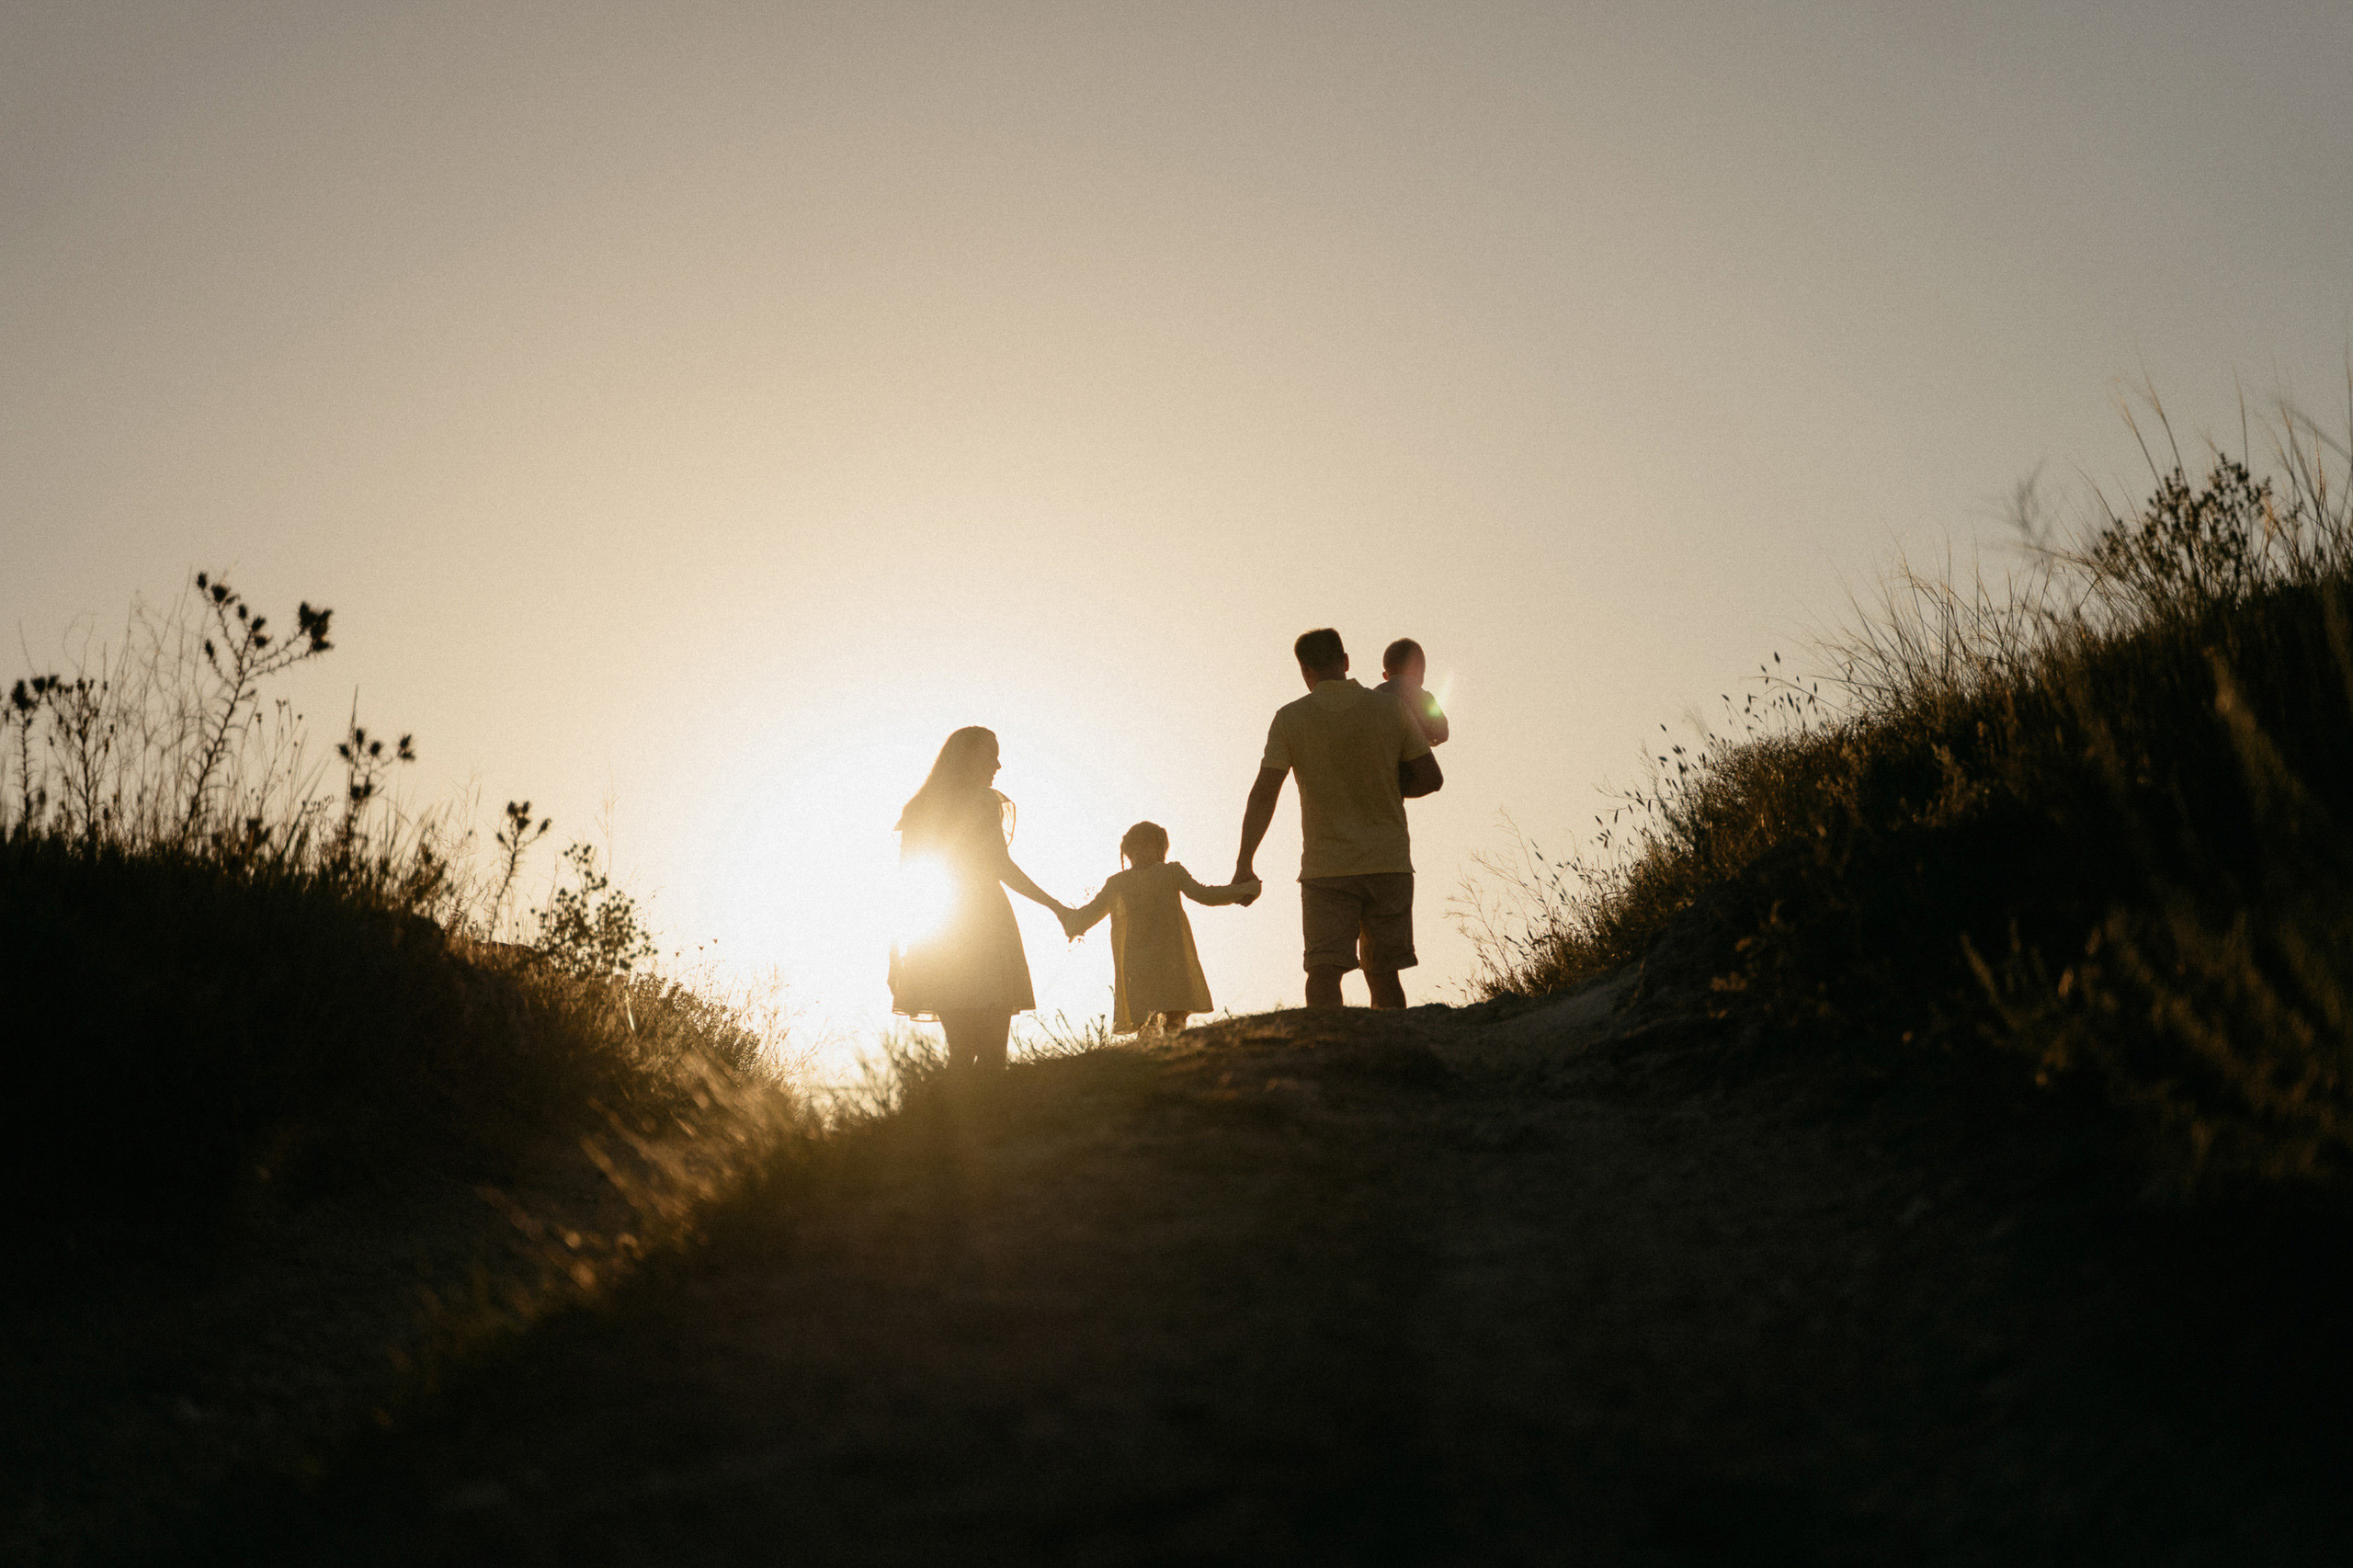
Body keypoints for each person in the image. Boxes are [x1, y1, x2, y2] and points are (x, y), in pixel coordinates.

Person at [1232, 628, 1442, 1009]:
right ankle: (1393, 1061)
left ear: (1305, 671)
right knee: (1383, 974)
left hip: (1326, 869)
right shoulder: (1391, 709)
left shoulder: (1289, 719)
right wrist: (1385, 784)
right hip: (1388, 862)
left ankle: (1326, 1060)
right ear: (1345, 662)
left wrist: (1245, 862)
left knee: (1323, 972)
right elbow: (1431, 778)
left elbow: (1265, 794)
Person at [889, 726, 1070, 1070]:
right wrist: (1058, 908)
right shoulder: (983, 802)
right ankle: (991, 1118)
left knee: (960, 1053)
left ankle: (951, 1120)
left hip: (937, 932)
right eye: (991, 753)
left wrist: (896, 954)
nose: (998, 765)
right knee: (990, 1055)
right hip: (984, 927)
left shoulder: (920, 807)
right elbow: (1002, 866)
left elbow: (906, 884)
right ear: (967, 755)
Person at [1060, 821, 1259, 1036]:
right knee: (1155, 1030)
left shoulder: (1164, 873)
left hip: (1165, 966)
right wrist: (1244, 890)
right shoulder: (1125, 882)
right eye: (1136, 848)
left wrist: (1242, 890)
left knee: (1166, 1027)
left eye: (1146, 846)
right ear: (1129, 852)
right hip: (1154, 969)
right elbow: (1089, 915)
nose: (1141, 852)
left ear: (1158, 848)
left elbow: (1205, 895)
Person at [1378, 637, 1450, 752]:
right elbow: (1442, 732)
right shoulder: (1425, 699)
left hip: (1383, 758)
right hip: (1414, 762)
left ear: (1385, 676)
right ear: (1418, 670)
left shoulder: (1376, 694)